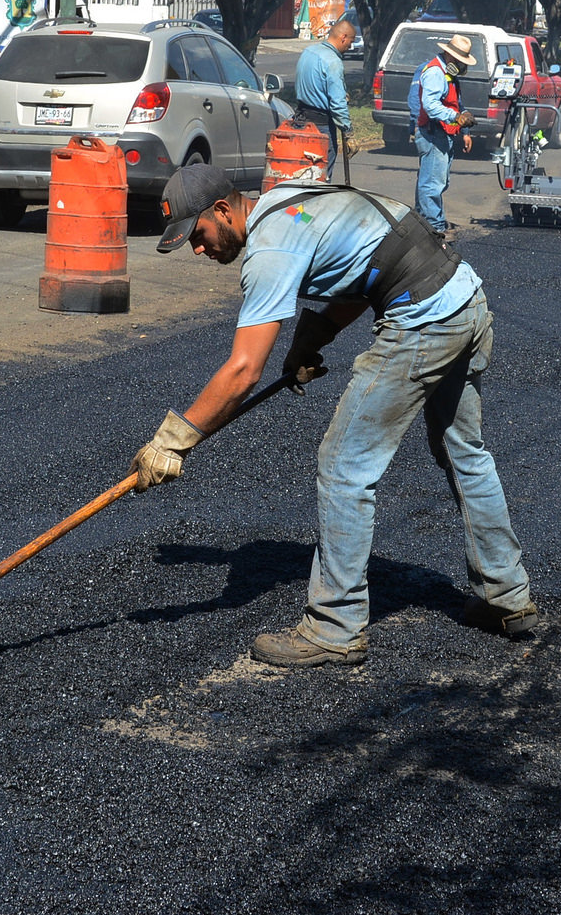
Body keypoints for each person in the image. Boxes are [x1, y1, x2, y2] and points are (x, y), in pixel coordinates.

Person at [128, 162, 537, 668]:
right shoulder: (291, 199)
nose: (197, 248)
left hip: (423, 319)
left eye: (198, 234)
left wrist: (173, 440)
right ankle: (507, 598)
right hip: (462, 296)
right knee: (464, 454)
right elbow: (368, 266)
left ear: (222, 210)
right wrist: (310, 339)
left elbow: (242, 371)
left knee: (344, 467)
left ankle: (335, 627)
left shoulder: (269, 250)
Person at [407, 34, 475, 244]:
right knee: (432, 183)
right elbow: (430, 105)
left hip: (443, 132)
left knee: (435, 180)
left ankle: (421, 223)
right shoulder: (435, 72)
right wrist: (455, 117)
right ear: (448, 54)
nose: (461, 66)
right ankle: (435, 228)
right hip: (433, 132)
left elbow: (456, 103)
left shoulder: (447, 74)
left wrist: (464, 130)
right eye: (458, 61)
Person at [292, 13, 356, 178]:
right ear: (343, 37)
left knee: (302, 174)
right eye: (351, 41)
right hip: (321, 125)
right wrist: (348, 132)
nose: (351, 46)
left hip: (300, 121)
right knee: (320, 176)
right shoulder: (333, 62)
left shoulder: (309, 52)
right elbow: (338, 104)